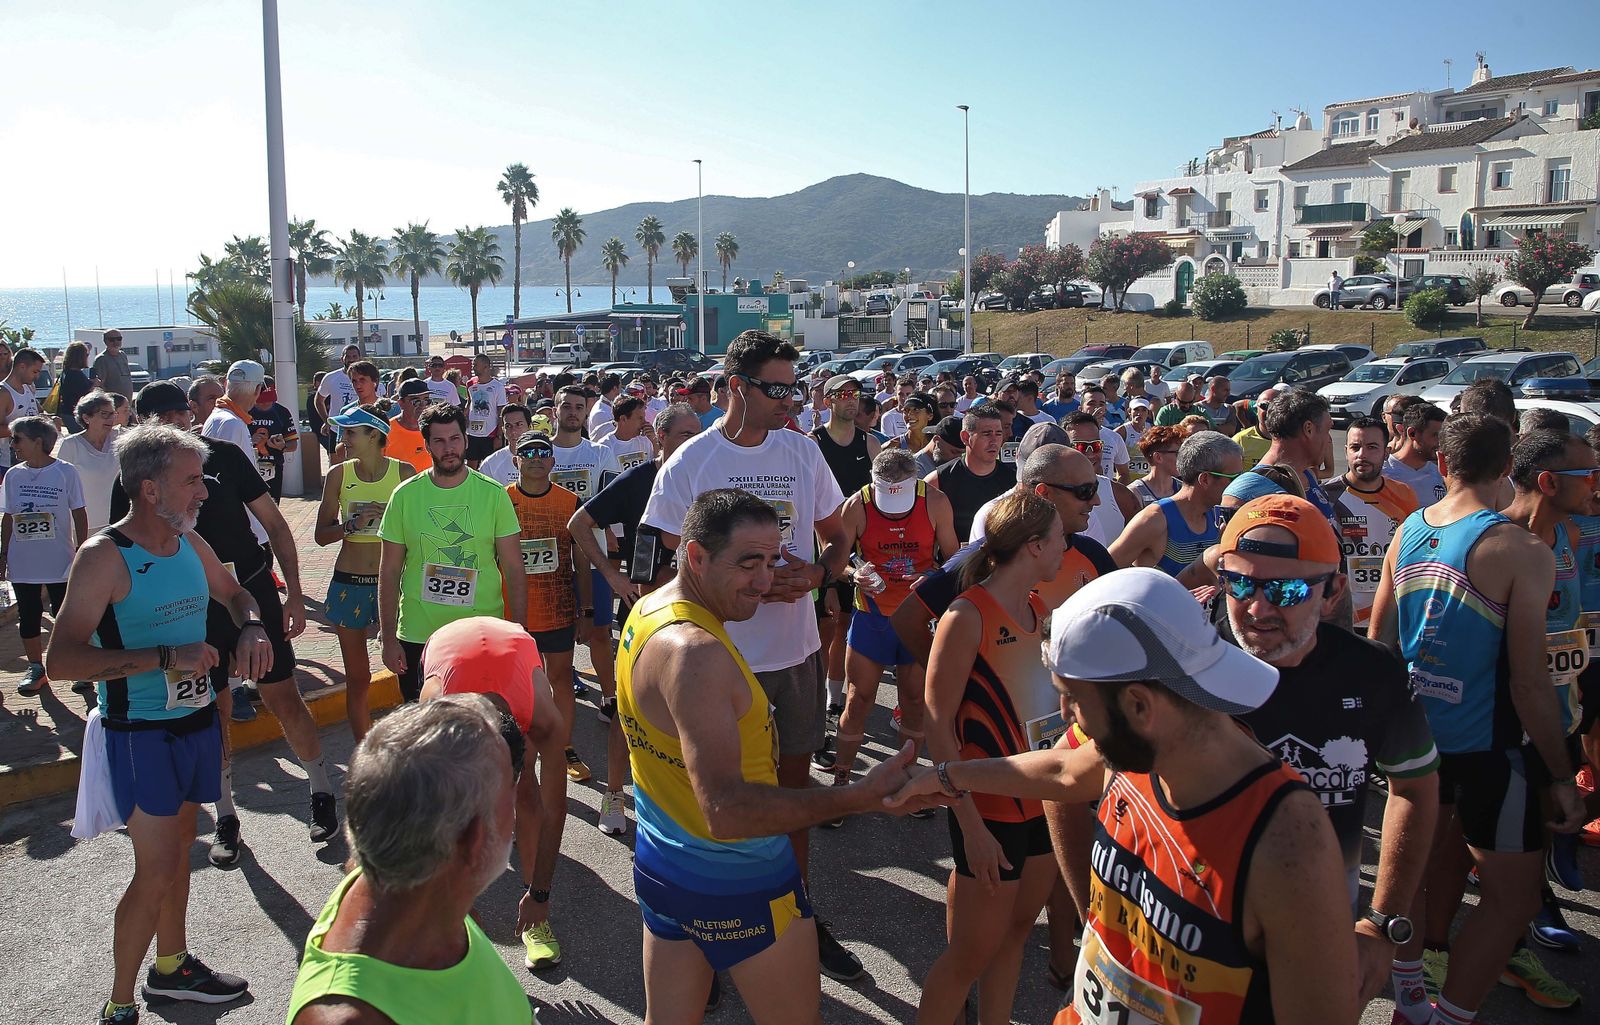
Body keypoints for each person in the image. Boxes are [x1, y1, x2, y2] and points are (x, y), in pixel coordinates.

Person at [886, 567, 1360, 1025]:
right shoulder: (1140, 747)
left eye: (1073, 699)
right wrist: (947, 777)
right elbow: (1064, 769)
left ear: (1139, 705)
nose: (1066, 715)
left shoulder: (1288, 842)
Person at [617, 488, 916, 1025]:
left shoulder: (648, 610)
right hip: (740, 882)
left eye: (773, 560)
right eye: (747, 562)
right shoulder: (696, 654)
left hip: (663, 869)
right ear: (695, 556)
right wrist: (860, 796)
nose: (764, 579)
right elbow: (726, 810)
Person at [642, 330, 864, 981]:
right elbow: (663, 568)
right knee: (711, 803)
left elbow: (837, 536)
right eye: (777, 389)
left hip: (793, 658)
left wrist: (821, 575)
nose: (791, 402)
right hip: (712, 666)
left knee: (789, 796)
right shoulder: (690, 462)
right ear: (736, 387)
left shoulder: (802, 451)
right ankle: (704, 939)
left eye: (795, 388)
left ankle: (794, 914)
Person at [1368, 413, 1587, 1025]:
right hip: (1491, 753)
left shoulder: (1407, 528)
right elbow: (1527, 681)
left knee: (1406, 882)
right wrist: (1562, 775)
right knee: (1512, 899)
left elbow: (1380, 643)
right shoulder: (1520, 549)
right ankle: (1452, 1014)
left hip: (1415, 748)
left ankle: (1411, 1000)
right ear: (1505, 470)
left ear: (1442, 464)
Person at [47, 424, 268, 1024]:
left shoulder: (186, 542)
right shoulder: (104, 558)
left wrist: (250, 625)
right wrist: (165, 658)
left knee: (180, 853)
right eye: (192, 481)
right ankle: (119, 1004)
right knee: (158, 870)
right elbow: (61, 660)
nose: (204, 492)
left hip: (197, 721)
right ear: (150, 490)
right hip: (140, 734)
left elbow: (236, 593)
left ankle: (173, 968)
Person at [1215, 494, 1442, 1015]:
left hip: (1321, 942)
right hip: (1195, 936)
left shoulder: (1373, 674)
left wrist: (1383, 924)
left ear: (1335, 590)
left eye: (1287, 589)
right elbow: (1075, 772)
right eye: (1242, 583)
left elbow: (1414, 788)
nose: (1257, 607)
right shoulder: (1184, 667)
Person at [112, 381, 326, 865]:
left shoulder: (224, 456)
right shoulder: (132, 478)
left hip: (248, 590)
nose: (177, 425)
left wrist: (292, 594)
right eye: (162, 419)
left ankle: (321, 789)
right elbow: (122, 552)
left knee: (282, 695)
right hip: (188, 612)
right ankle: (226, 814)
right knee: (214, 712)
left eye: (180, 415)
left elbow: (274, 524)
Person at [917, 490, 1069, 1025]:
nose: (1064, 550)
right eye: (1058, 540)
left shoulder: (1038, 607)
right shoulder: (967, 615)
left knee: (1016, 936)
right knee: (968, 957)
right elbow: (936, 725)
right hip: (990, 811)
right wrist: (970, 823)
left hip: (1040, 803)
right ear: (1032, 546)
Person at [285, 697, 533, 1025]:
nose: (515, 806)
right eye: (509, 794)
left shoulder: (395, 879)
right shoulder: (349, 1018)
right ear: (472, 839)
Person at [501, 427, 596, 967]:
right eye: (529, 452)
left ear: (553, 460)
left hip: (559, 611)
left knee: (560, 682)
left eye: (546, 453)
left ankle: (559, 742)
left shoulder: (568, 502)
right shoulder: (504, 501)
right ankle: (531, 750)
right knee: (520, 695)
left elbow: (580, 559)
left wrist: (585, 610)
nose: (538, 459)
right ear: (516, 459)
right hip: (518, 617)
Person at [827, 448, 959, 798]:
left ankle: (910, 780)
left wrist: (931, 577)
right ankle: (842, 779)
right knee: (858, 699)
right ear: (874, 482)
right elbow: (836, 561)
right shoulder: (857, 504)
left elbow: (954, 559)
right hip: (873, 616)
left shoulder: (936, 501)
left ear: (914, 483)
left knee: (915, 701)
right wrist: (856, 574)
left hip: (917, 616)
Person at [379, 402, 524, 702]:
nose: (449, 448)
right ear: (427, 445)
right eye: (439, 441)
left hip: (481, 633)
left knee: (483, 728)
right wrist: (389, 638)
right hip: (419, 635)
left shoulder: (494, 494)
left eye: (455, 439)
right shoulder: (404, 496)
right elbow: (389, 572)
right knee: (424, 732)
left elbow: (513, 567)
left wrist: (519, 632)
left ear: (466, 440)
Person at [313, 405, 412, 742]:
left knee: (407, 671)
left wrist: (390, 521)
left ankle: (409, 749)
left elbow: (418, 532)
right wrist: (351, 525)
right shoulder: (338, 475)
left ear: (374, 435)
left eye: (351, 432)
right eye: (343, 432)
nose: (343, 440)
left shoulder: (404, 473)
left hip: (395, 585)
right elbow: (320, 536)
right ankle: (363, 753)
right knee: (358, 678)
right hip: (349, 582)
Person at [550, 384, 624, 779]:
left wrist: (614, 548)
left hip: (592, 558)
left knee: (599, 633)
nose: (574, 412)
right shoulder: (538, 451)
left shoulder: (599, 453)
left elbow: (610, 504)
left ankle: (609, 697)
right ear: (556, 409)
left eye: (581, 407)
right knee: (552, 641)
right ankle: (551, 713)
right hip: (550, 563)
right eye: (567, 405)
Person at [811, 374, 882, 755]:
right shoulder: (813, 443)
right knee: (824, 626)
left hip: (859, 546)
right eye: (844, 395)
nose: (852, 401)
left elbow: (875, 493)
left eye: (856, 395)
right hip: (824, 545)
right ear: (828, 401)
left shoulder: (867, 442)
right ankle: (816, 699)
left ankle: (833, 697)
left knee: (848, 624)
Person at [3, 416, 88, 695]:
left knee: (67, 614)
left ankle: (78, 666)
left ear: (38, 442)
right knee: (28, 614)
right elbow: (8, 516)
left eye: (17, 439)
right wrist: (3, 554)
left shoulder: (66, 472)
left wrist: (82, 549)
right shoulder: (13, 475)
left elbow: (78, 511)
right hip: (23, 559)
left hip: (59, 559)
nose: (13, 444)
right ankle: (36, 668)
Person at [1322, 415, 1419, 626]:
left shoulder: (1405, 495)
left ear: (1386, 452)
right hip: (1343, 617)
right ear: (1345, 450)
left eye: (1372, 447)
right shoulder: (1325, 497)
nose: (1362, 455)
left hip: (1391, 613)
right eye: (1355, 447)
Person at [1108, 431, 1241, 579]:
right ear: (1205, 479)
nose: (1239, 485)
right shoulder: (1155, 519)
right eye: (1234, 478)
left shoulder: (1220, 518)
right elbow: (1100, 572)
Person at [926, 406, 1016, 542]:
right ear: (966, 437)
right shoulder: (937, 481)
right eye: (986, 434)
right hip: (955, 561)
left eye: (998, 433)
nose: (994, 441)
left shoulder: (1013, 481)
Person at [58, 392, 122, 534]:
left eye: (112, 414)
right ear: (86, 417)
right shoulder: (70, 445)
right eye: (104, 414)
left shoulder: (122, 439)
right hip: (83, 526)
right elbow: (61, 489)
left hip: (118, 522)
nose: (110, 418)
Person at [1384, 402, 1448, 510]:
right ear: (1412, 433)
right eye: (1436, 435)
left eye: (1443, 436)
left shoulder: (1440, 474)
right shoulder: (1383, 473)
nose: (1441, 442)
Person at [247, 377, 297, 502]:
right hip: (249, 466)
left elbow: (293, 444)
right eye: (261, 401)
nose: (264, 404)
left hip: (273, 466)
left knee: (273, 503)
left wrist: (282, 446)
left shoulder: (282, 412)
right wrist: (250, 440)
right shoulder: (244, 411)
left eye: (268, 400)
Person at [0, 347, 45, 476]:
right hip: (10, 462)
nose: (37, 376)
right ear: (22, 367)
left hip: (33, 459)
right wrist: (26, 428)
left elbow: (38, 413)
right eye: (35, 371)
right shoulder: (4, 393)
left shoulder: (28, 387)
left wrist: (49, 420)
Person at [314, 344, 364, 450]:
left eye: (354, 356)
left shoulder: (368, 378)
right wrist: (326, 421)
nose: (351, 359)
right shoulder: (331, 377)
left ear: (360, 358)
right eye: (348, 357)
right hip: (336, 429)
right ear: (342, 359)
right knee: (336, 463)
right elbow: (319, 400)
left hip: (361, 429)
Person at [1078, 392, 1131, 483]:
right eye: (1091, 404)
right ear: (1081, 409)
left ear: (1105, 409)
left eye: (1101, 404)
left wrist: (1113, 492)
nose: (1097, 408)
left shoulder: (1114, 437)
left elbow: (1124, 474)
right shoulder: (1072, 436)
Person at [465, 353, 507, 467]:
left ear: (486, 367)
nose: (473, 367)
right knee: (471, 465)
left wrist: (499, 436)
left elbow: (501, 413)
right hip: (472, 432)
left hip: (490, 433)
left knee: (490, 465)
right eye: (473, 364)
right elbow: (469, 404)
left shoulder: (498, 387)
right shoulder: (470, 384)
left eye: (476, 365)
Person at [386, 377, 435, 474]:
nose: (422, 405)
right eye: (416, 401)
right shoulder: (386, 429)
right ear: (401, 403)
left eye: (426, 400)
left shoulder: (435, 429)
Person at [477, 401, 531, 485]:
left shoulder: (544, 459)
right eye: (508, 426)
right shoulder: (490, 464)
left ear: (530, 427)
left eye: (519, 425)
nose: (513, 431)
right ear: (503, 430)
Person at [1127, 424, 1182, 506]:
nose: (1183, 457)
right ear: (1158, 457)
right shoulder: (1134, 493)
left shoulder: (1183, 490)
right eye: (1178, 453)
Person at [600, 395, 656, 472]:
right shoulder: (604, 446)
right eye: (640, 418)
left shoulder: (647, 440)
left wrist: (654, 441)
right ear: (623, 419)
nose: (645, 422)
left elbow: (659, 466)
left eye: (644, 418)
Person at [1231, 386, 1279, 466]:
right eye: (1265, 406)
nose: (1270, 411)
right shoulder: (1240, 441)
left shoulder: (1295, 439)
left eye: (1276, 406)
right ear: (1256, 409)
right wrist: (1245, 424)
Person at [57, 340, 94, 434]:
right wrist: (94, 385)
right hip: (73, 413)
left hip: (67, 412)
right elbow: (82, 394)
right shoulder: (75, 374)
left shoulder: (66, 372)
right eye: (86, 355)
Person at [89, 330, 135, 399]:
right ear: (105, 341)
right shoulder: (102, 359)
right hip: (113, 404)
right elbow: (99, 385)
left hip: (126, 402)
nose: (116, 342)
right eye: (112, 340)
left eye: (119, 339)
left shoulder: (122, 355)